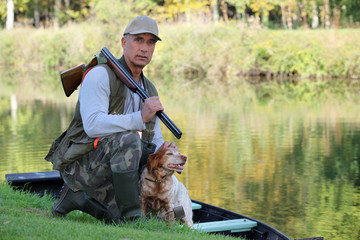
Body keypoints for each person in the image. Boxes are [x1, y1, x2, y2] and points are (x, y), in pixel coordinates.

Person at [45, 15, 177, 223]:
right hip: (82, 166)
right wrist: (138, 118)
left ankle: (77, 198)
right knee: (130, 139)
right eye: (138, 40)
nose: (144, 48)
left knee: (151, 213)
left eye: (151, 42)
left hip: (114, 165)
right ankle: (132, 217)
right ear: (124, 42)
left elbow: (155, 138)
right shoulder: (99, 75)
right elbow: (92, 126)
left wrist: (166, 153)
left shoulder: (149, 89)